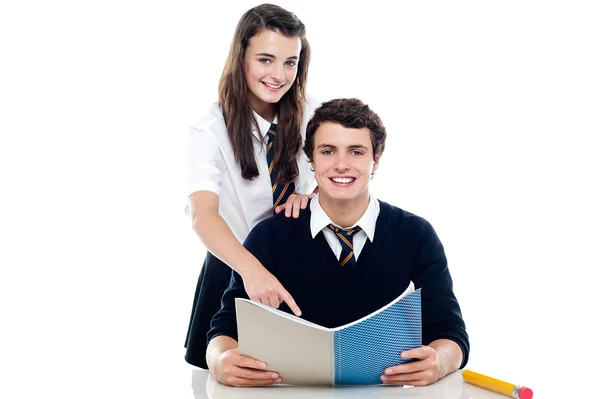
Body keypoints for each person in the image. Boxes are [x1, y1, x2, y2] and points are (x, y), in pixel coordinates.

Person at [205, 98, 470, 387]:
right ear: (312, 160)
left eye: (356, 152)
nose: (341, 165)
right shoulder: (270, 236)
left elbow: (450, 332)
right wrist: (219, 361)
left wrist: (439, 362)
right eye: (328, 151)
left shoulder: (416, 234)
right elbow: (225, 328)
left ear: (375, 161)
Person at [185, 4, 320, 369]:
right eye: (265, 59)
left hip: (297, 269)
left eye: (290, 62)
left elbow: (344, 177)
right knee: (226, 379)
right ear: (240, 55)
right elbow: (203, 215)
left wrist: (311, 195)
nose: (279, 75)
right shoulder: (209, 130)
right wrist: (252, 271)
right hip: (235, 268)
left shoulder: (314, 115)